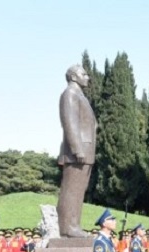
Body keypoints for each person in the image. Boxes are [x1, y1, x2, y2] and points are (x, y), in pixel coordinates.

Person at [57, 64, 98, 238]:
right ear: (73, 77)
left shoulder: (79, 95)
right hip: (77, 153)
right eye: (83, 74)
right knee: (72, 190)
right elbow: (70, 123)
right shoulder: (70, 94)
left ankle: (74, 224)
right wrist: (77, 149)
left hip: (85, 150)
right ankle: (68, 227)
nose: (87, 77)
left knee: (79, 190)